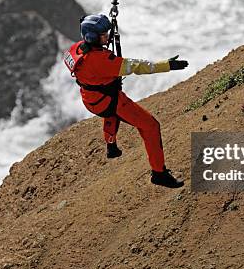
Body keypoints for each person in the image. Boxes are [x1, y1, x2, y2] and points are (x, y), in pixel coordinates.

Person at [63, 14, 188, 188]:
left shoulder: (77, 49)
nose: (107, 36)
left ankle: (111, 147)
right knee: (151, 126)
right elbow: (137, 66)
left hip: (91, 99)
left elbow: (90, 63)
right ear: (92, 37)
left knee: (111, 114)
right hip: (109, 100)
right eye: (103, 34)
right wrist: (166, 65)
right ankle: (159, 174)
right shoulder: (102, 61)